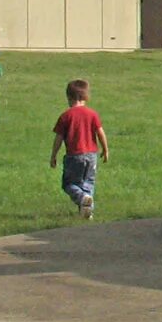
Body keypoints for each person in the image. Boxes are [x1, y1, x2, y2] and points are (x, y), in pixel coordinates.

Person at [50, 77, 109, 219]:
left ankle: (82, 198)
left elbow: (58, 138)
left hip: (74, 156)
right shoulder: (92, 114)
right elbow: (100, 133)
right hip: (91, 155)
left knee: (69, 184)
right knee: (88, 183)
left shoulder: (66, 116)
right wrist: (105, 150)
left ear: (69, 97)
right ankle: (88, 212)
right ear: (86, 96)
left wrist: (54, 155)